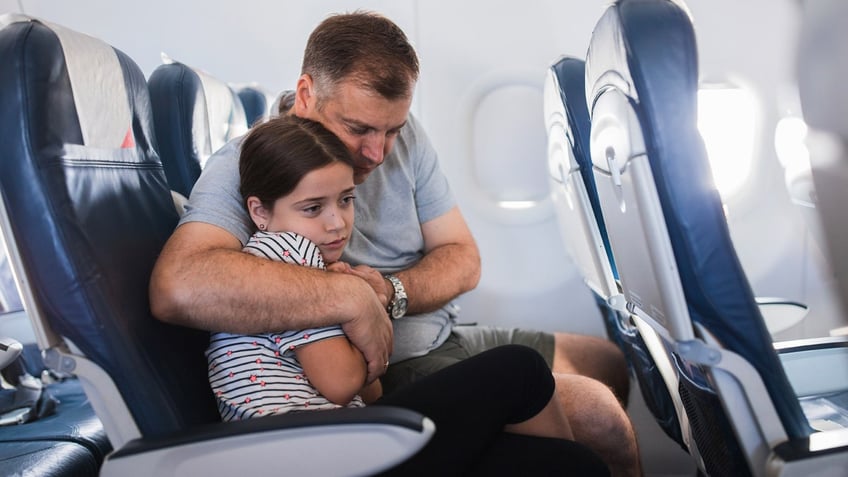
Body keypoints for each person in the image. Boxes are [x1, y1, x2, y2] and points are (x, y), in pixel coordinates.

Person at [150, 10, 640, 476]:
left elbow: (463, 259)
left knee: (609, 362)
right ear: (305, 93)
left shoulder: (398, 137)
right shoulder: (252, 166)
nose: (377, 152)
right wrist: (349, 297)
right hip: (395, 365)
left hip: (435, 333)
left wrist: (386, 293)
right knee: (597, 418)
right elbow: (179, 286)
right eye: (358, 128)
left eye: (392, 130)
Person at [208, 113, 607, 475]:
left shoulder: (310, 257)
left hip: (335, 442)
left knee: (575, 464)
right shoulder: (285, 254)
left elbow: (371, 388)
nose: (337, 224)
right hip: (308, 455)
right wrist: (359, 310)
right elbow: (342, 382)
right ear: (260, 213)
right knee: (522, 370)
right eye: (313, 208)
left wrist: (357, 317)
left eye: (346, 200)